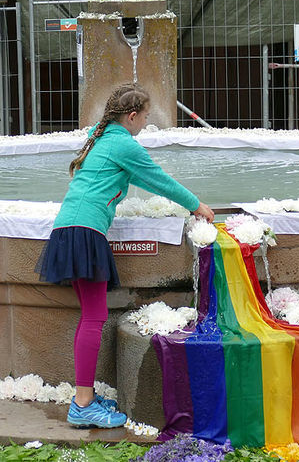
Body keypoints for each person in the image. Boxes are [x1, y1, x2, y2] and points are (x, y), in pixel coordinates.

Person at [36, 82, 215, 428]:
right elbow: (159, 179)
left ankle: (83, 397)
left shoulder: (101, 136)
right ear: (131, 117)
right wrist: (197, 205)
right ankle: (83, 405)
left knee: (91, 314)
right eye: (145, 118)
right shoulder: (122, 144)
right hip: (84, 231)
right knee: (93, 317)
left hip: (71, 229)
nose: (145, 125)